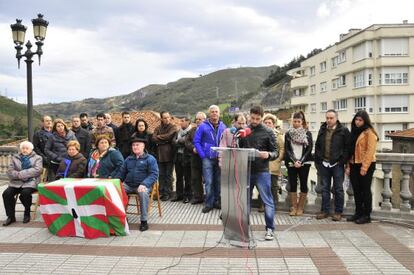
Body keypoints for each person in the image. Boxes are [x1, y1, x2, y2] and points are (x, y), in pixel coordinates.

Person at [239, 106, 278, 241]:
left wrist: (268, 154)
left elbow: (275, 152)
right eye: (252, 118)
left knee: (267, 201)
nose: (254, 121)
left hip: (262, 171)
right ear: (249, 116)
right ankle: (244, 229)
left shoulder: (268, 131)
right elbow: (239, 149)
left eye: (257, 119)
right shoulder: (244, 131)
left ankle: (270, 229)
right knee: (245, 202)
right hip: (247, 170)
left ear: (261, 118)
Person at [315, 109, 351, 221]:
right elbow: (317, 146)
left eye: (331, 118)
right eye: (327, 118)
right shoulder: (322, 129)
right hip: (324, 164)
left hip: (337, 165)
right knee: (325, 188)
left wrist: (342, 161)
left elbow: (348, 148)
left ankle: (338, 212)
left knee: (338, 189)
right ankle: (325, 211)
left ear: (336, 118)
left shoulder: (343, 130)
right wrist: (319, 160)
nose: (329, 120)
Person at [117, 137, 159, 231]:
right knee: (116, 192)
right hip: (128, 185)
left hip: (143, 185)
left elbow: (154, 174)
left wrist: (144, 184)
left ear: (143, 146)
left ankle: (144, 221)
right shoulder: (129, 159)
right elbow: (121, 173)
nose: (135, 147)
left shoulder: (150, 159)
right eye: (133, 145)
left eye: (137, 145)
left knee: (143, 193)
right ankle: (121, 217)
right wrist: (116, 182)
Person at [346, 110, 378, 224]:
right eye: (356, 119)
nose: (357, 122)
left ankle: (367, 215)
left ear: (365, 121)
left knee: (365, 190)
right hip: (354, 164)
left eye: (360, 120)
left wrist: (364, 168)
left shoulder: (369, 133)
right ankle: (358, 212)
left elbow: (370, 151)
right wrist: (348, 166)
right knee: (356, 190)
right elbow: (351, 151)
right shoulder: (354, 132)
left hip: (366, 165)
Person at [193, 105, 226, 213]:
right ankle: (208, 204)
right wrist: (202, 154)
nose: (214, 113)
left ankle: (217, 202)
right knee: (209, 181)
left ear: (219, 113)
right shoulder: (202, 126)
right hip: (207, 158)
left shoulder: (223, 126)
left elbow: (226, 141)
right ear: (209, 113)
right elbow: (196, 141)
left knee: (218, 181)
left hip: (219, 158)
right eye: (212, 112)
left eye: (216, 111)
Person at [3, 141, 42, 225]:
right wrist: (19, 175)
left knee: (25, 193)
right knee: (6, 193)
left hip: (30, 182)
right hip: (16, 182)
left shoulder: (37, 158)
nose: (24, 150)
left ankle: (27, 214)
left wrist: (21, 174)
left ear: (31, 149)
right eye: (23, 148)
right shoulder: (15, 157)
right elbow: (10, 171)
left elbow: (37, 170)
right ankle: (11, 216)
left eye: (27, 148)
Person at [284, 111, 313, 216]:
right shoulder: (288, 133)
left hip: (304, 162)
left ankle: (301, 207)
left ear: (302, 122)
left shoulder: (307, 133)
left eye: (298, 121)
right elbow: (287, 149)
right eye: (294, 121)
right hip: (292, 162)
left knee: (304, 184)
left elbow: (309, 148)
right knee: (292, 184)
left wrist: (301, 161)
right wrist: (294, 160)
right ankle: (294, 207)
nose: (296, 123)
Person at [151, 111, 178, 201]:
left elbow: (169, 136)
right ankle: (162, 192)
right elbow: (153, 138)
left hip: (169, 153)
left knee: (168, 175)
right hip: (159, 154)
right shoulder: (158, 127)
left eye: (168, 117)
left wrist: (160, 138)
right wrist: (164, 139)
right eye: (165, 118)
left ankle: (168, 193)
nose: (167, 119)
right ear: (161, 119)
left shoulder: (173, 127)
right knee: (161, 175)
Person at [185, 112, 206, 205]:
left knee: (208, 179)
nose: (198, 120)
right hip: (194, 158)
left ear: (204, 120)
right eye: (196, 119)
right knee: (195, 178)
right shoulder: (192, 130)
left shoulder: (207, 129)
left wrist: (200, 148)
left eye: (200, 119)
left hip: (205, 158)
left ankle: (209, 198)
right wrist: (193, 148)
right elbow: (187, 141)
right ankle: (198, 197)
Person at [263, 113, 284, 207]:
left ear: (273, 124)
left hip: (274, 163)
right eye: (266, 122)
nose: (267, 124)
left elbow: (282, 148)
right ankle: (263, 204)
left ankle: (274, 203)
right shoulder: (261, 134)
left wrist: (279, 159)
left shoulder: (278, 135)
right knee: (263, 185)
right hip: (263, 164)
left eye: (269, 123)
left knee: (273, 186)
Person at [172, 117, 192, 203]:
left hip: (187, 156)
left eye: (183, 121)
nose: (181, 122)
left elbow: (187, 142)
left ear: (188, 122)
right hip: (178, 156)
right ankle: (179, 195)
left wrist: (180, 142)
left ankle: (187, 195)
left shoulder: (191, 131)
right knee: (179, 177)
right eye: (181, 121)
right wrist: (180, 142)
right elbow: (173, 142)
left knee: (187, 177)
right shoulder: (177, 132)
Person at [32, 115, 53, 180]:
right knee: (44, 180)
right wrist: (44, 158)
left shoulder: (55, 132)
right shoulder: (37, 134)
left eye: (50, 120)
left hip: (55, 160)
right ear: (43, 122)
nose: (49, 122)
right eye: (47, 121)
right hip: (44, 162)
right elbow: (35, 148)